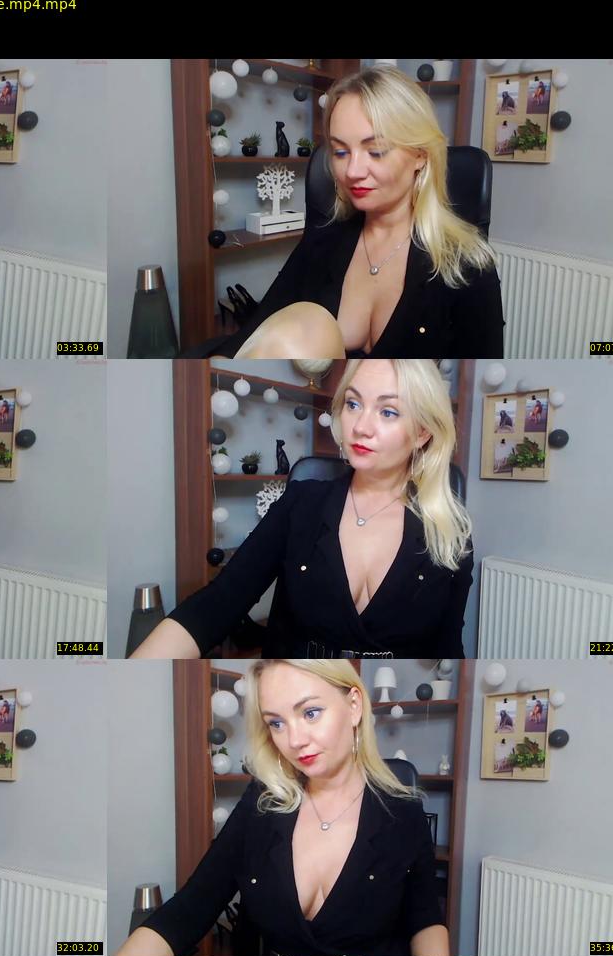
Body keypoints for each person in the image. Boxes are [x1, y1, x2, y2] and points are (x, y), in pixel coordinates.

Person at [131, 359, 473, 659]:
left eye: (388, 412)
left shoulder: (451, 535)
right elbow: (218, 603)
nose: (360, 427)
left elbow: (448, 648)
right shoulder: (301, 503)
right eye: (353, 403)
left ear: (422, 432)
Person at [117, 660, 448, 956]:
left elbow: (426, 922)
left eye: (310, 713)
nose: (294, 740)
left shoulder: (404, 812)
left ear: (353, 706)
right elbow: (190, 908)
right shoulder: (261, 803)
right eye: (276, 723)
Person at [220, 66, 503, 359]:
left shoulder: (469, 265)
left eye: (376, 150)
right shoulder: (321, 243)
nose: (352, 171)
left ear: (420, 155)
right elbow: (253, 332)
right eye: (340, 152)